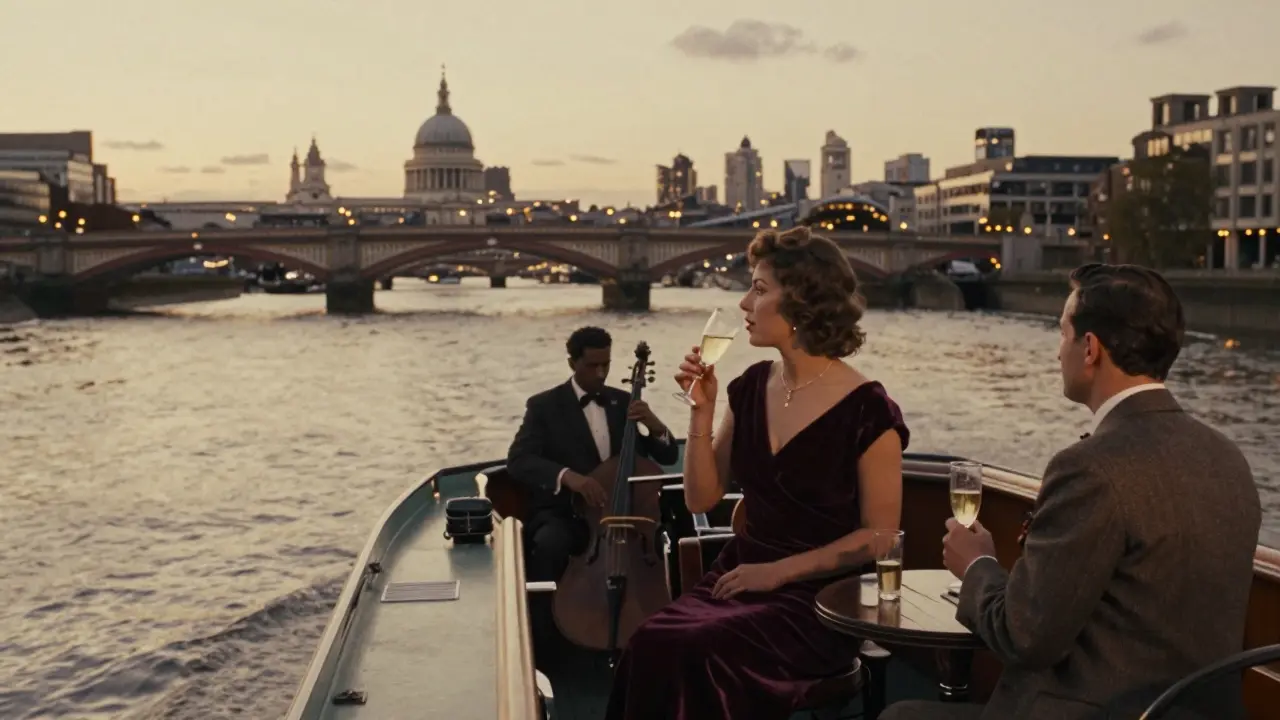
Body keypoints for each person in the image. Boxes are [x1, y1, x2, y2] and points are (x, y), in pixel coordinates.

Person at [882, 263, 1261, 720]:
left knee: (900, 715)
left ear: (1089, 348)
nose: (1056, 352)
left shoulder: (1091, 468)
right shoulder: (1226, 457)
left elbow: (1023, 636)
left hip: (1100, 711)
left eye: (1062, 334)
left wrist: (977, 563)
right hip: (1191, 712)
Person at [604, 226, 910, 720]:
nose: (744, 302)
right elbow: (702, 500)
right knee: (649, 642)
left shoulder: (868, 409)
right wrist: (699, 415)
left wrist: (777, 573)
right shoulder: (748, 388)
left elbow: (879, 537)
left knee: (697, 651)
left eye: (760, 289)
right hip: (738, 577)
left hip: (819, 600)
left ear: (804, 304)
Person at [506, 326, 678, 649]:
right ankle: (544, 640)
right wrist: (568, 476)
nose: (601, 374)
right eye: (592, 366)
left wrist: (655, 425)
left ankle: (657, 630)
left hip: (625, 516)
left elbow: (668, 455)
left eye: (606, 365)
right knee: (548, 544)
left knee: (669, 542)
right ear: (572, 363)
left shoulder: (623, 401)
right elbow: (519, 460)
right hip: (568, 515)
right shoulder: (544, 406)